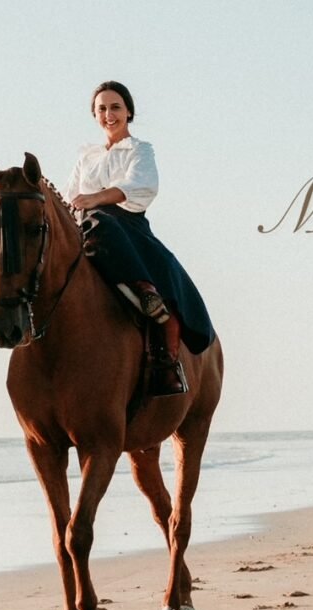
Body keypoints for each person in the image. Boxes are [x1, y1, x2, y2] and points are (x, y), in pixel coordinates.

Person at [64, 81, 214, 396]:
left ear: (129, 111)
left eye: (115, 107)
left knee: (105, 222)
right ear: (95, 115)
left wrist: (96, 199)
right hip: (85, 230)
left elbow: (142, 187)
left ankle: (150, 307)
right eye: (101, 109)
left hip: (126, 227)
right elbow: (70, 199)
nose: (109, 114)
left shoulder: (140, 150)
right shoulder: (86, 158)